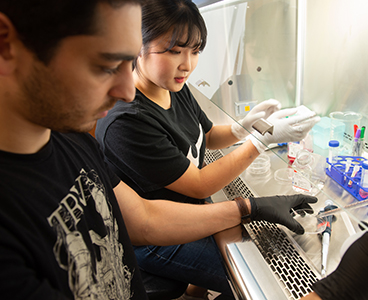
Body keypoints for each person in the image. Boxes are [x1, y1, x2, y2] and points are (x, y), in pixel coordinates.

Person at [0, 1, 319, 299]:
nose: (127, 92)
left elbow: (142, 219)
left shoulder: (73, 140)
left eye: (129, 61)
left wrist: (248, 200)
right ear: (5, 45)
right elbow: (188, 192)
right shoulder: (120, 123)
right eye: (106, 65)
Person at [95, 0, 320, 298]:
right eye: (174, 51)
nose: (187, 64)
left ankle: (194, 292)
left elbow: (209, 135)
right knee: (253, 272)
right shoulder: (128, 121)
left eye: (195, 50)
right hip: (158, 238)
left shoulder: (172, 86)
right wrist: (261, 140)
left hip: (190, 214)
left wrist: (244, 128)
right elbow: (200, 186)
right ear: (138, 45)